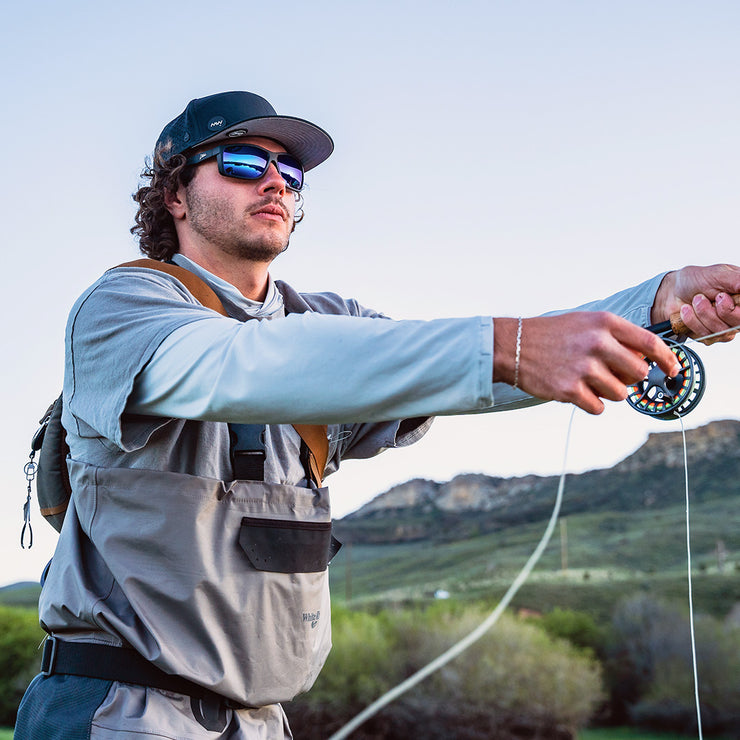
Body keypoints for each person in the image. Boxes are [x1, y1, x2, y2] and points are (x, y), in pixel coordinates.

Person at [15, 90, 740, 739]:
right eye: (241, 162)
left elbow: (477, 370)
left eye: (290, 171)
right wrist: (507, 345)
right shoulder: (122, 307)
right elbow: (235, 367)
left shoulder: (330, 319)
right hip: (120, 711)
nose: (275, 181)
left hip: (263, 721)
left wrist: (654, 305)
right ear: (175, 194)